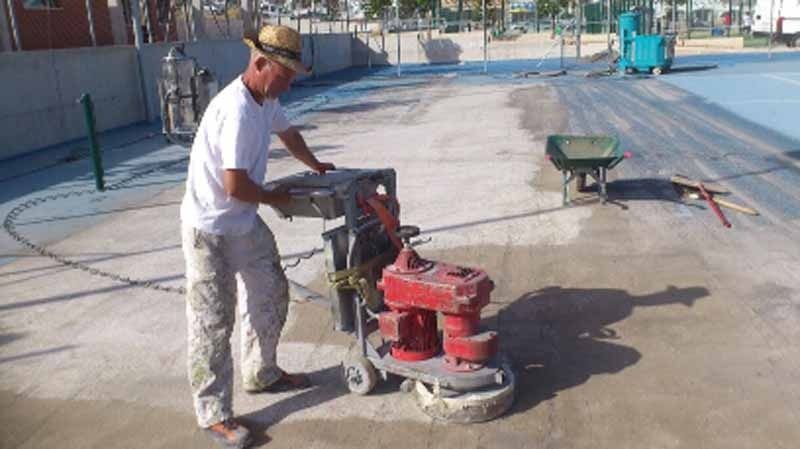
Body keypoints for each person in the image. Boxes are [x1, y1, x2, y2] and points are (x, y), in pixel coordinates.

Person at [180, 24, 335, 449]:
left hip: (242, 222)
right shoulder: (237, 111)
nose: (288, 83)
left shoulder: (265, 98)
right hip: (209, 228)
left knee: (270, 291)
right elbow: (235, 186)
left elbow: (288, 134)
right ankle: (214, 415)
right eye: (284, 74)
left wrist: (315, 164)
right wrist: (275, 198)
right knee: (213, 322)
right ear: (260, 63)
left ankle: (262, 371)